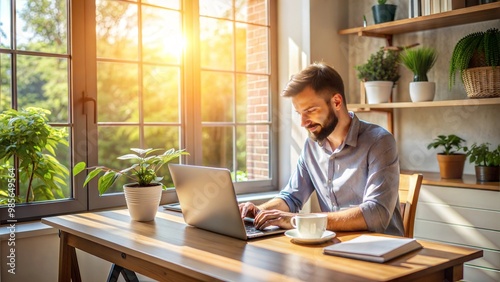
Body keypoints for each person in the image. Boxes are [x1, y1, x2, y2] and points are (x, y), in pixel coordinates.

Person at [239, 62, 403, 236]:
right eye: (299, 113)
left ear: (337, 102)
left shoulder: (379, 142)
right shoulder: (311, 147)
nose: (303, 122)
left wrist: (295, 220)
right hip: (334, 246)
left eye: (310, 110)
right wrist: (258, 211)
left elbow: (376, 214)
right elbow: (292, 197)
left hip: (381, 250)